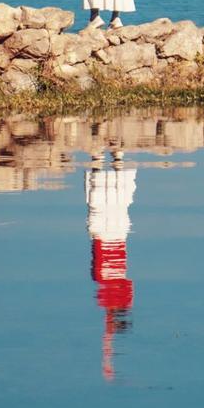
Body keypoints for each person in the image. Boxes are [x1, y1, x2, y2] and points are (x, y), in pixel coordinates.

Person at [85, 149, 135, 381]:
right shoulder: (112, 295)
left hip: (114, 242)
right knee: (105, 205)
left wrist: (108, 358)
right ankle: (109, 158)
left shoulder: (121, 297)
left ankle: (113, 158)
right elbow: (107, 329)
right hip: (111, 244)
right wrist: (107, 360)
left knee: (111, 204)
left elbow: (108, 328)